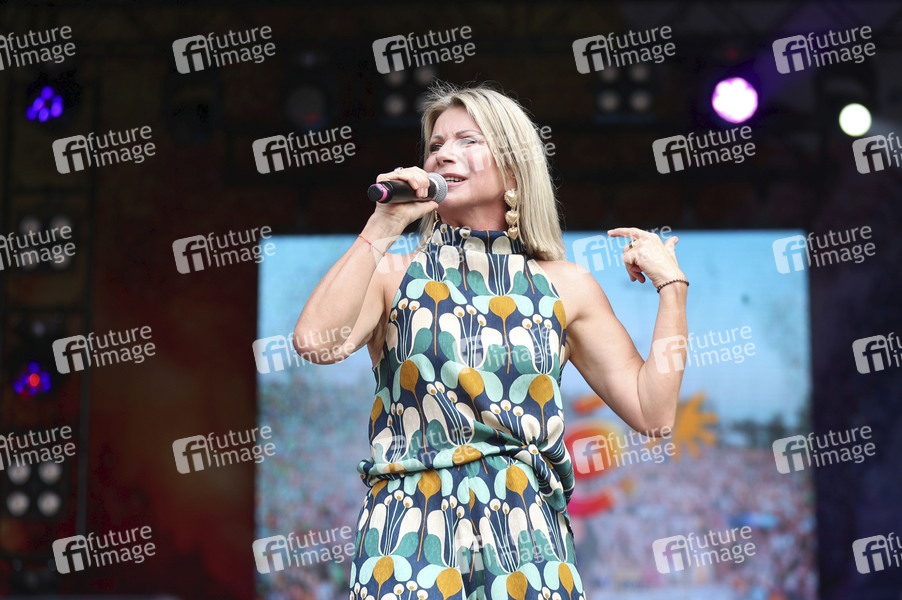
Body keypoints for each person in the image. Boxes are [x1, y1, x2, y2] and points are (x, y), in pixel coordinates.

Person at [294, 81, 688, 600]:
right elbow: (315, 342)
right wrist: (381, 227)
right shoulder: (394, 274)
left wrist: (671, 288)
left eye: (468, 140)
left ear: (514, 167)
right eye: (436, 145)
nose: (443, 155)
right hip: (410, 533)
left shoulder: (565, 285)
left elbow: (653, 412)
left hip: (526, 537)